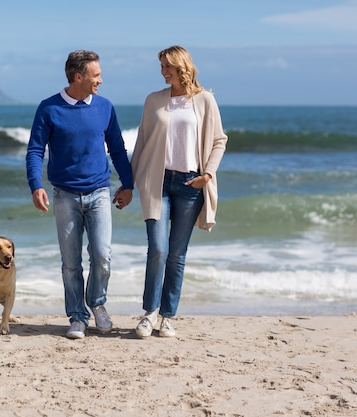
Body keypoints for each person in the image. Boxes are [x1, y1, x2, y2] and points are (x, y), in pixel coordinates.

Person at [26, 50, 133, 340]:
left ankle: (97, 304)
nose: (101, 80)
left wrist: (128, 183)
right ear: (78, 77)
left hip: (99, 192)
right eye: (96, 75)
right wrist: (36, 185)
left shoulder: (105, 107)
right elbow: (35, 149)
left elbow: (118, 148)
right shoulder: (49, 108)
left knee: (102, 256)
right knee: (71, 262)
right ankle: (77, 316)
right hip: (64, 195)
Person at [130, 45, 228, 338]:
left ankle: (167, 317)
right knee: (157, 249)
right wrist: (127, 183)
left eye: (166, 67)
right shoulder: (153, 100)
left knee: (177, 254)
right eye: (161, 67)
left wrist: (207, 174)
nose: (162, 72)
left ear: (180, 66)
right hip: (156, 181)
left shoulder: (205, 100)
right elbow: (142, 143)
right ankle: (148, 314)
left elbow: (219, 140)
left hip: (190, 184)